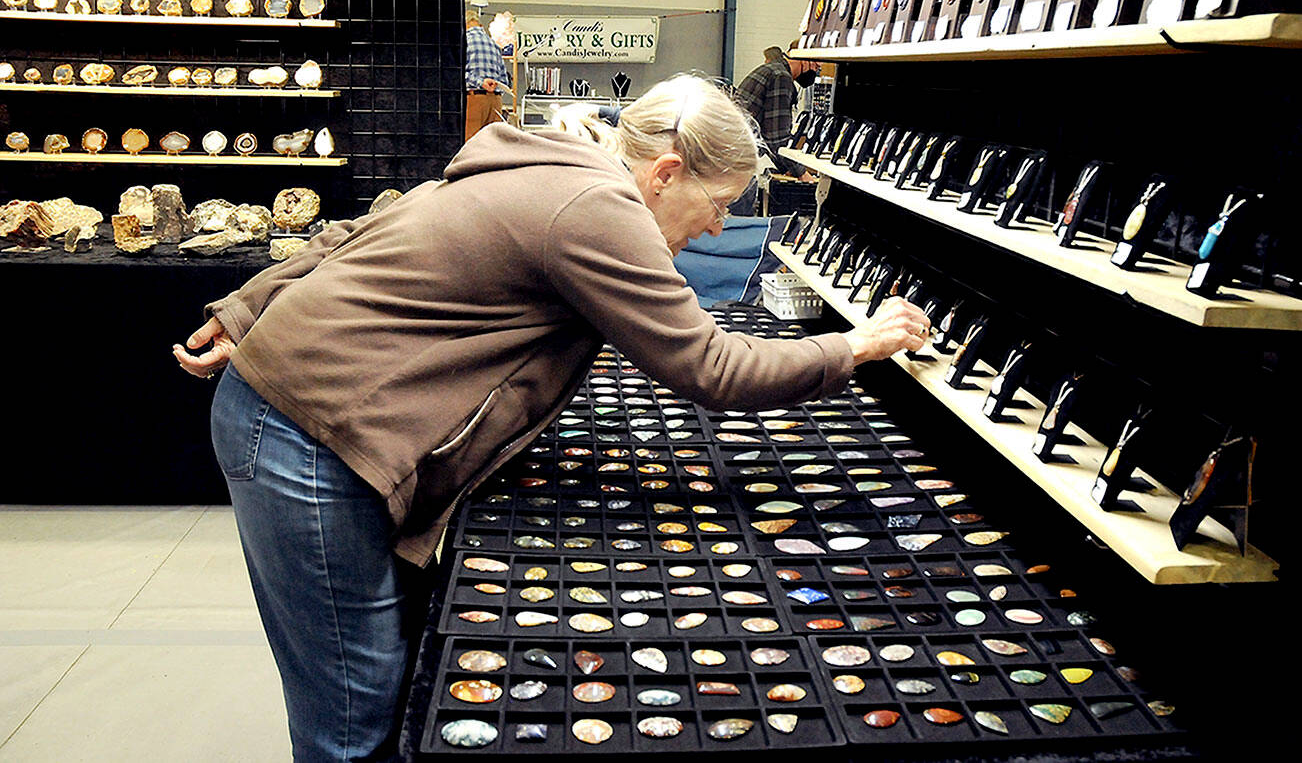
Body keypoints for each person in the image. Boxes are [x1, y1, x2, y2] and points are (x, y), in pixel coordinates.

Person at [173, 74, 929, 762]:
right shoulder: (596, 208)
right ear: (667, 174)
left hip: (300, 415)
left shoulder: (551, 160)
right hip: (306, 435)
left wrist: (253, 302)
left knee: (382, 662)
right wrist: (854, 345)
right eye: (720, 205)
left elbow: (379, 225)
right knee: (352, 710)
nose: (712, 230)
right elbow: (714, 368)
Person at [733, 45, 819, 180]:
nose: (816, 71)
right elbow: (776, 137)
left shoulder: (772, 70)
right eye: (816, 66)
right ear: (804, 60)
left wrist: (787, 168)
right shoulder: (781, 77)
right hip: (736, 159)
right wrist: (801, 173)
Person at [464, 9, 511, 142]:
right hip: (496, 102)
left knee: (471, 146)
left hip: (474, 100)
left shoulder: (464, 41)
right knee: (493, 145)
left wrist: (480, 82)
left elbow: (457, 73)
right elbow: (504, 79)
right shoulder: (494, 45)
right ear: (480, 25)